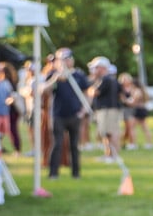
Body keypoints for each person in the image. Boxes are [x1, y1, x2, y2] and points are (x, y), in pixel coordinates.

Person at [42, 48, 90, 179]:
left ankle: (76, 173)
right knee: (57, 144)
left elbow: (87, 94)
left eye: (67, 59)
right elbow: (44, 90)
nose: (65, 62)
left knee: (74, 145)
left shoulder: (79, 75)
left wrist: (84, 110)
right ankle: (53, 173)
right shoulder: (53, 74)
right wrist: (55, 79)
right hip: (58, 115)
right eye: (62, 60)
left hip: (75, 114)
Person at [86, 58, 123, 162]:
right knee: (106, 133)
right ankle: (109, 154)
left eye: (96, 68)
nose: (94, 70)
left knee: (111, 132)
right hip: (110, 109)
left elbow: (94, 92)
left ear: (102, 68)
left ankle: (113, 155)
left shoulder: (105, 79)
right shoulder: (112, 79)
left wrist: (90, 88)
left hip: (107, 110)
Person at [118, 73, 153, 150]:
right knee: (144, 128)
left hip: (138, 111)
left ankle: (133, 144)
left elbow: (133, 103)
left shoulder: (137, 91)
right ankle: (149, 143)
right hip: (142, 110)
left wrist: (124, 100)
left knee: (132, 128)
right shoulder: (141, 91)